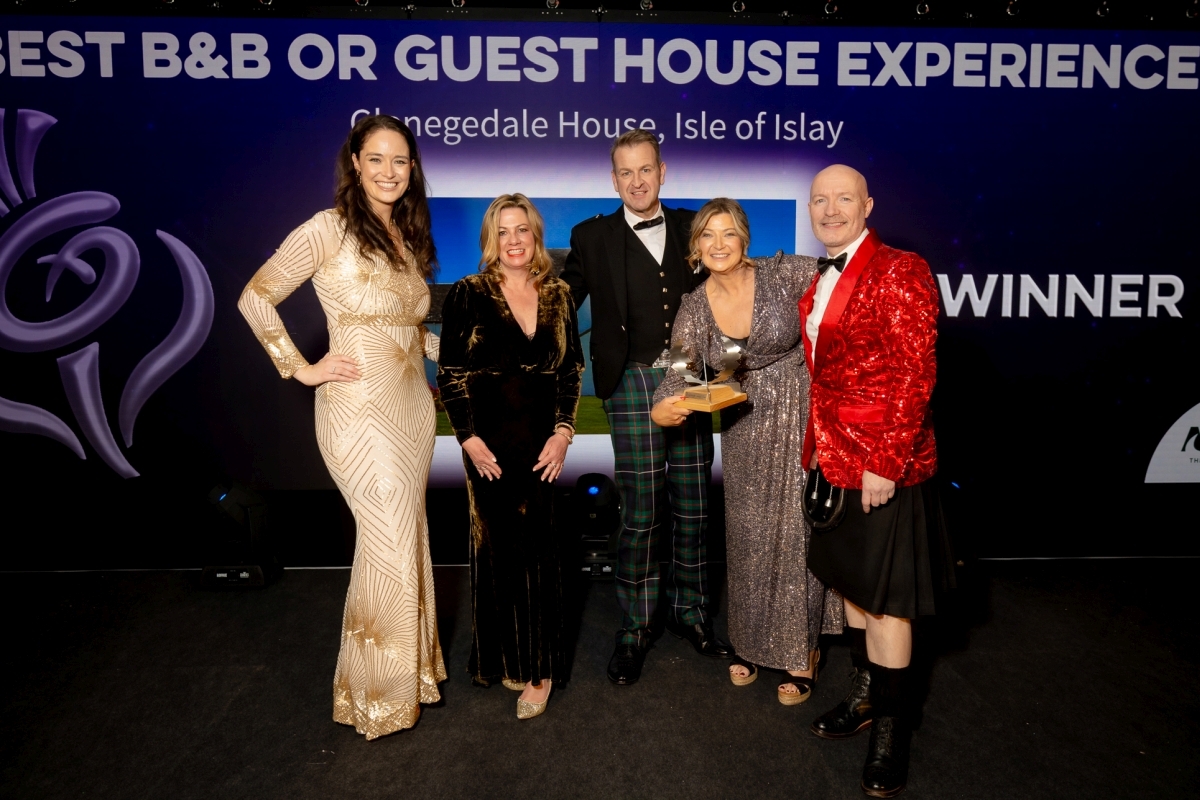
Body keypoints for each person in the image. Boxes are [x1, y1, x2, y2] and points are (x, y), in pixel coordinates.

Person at [238, 115, 446, 739]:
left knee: (407, 536)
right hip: (356, 409)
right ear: (355, 162)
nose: (389, 171)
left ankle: (415, 675)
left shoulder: (406, 236)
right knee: (386, 541)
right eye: (377, 158)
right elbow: (256, 296)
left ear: (412, 170)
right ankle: (375, 696)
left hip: (412, 408)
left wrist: (464, 356)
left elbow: (409, 329)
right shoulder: (327, 229)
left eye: (401, 161)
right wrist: (300, 368)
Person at [800, 165, 955, 797]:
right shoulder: (820, 275)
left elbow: (915, 375)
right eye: (820, 200)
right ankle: (866, 697)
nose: (830, 210)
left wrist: (885, 462)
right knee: (856, 591)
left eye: (844, 199)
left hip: (880, 466)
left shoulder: (900, 269)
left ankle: (892, 732)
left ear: (868, 205)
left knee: (888, 603)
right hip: (830, 459)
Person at [650, 198, 844, 704]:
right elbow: (679, 367)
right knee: (750, 534)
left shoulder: (786, 273)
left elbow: (848, 280)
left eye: (728, 233)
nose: (718, 244)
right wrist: (664, 405)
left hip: (805, 414)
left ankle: (802, 652)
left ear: (745, 240)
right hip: (745, 425)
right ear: (695, 247)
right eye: (707, 235)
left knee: (800, 534)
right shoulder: (694, 305)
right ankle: (753, 644)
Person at [561, 130, 733, 686]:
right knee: (640, 508)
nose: (636, 181)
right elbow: (559, 301)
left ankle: (690, 612)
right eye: (625, 173)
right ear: (614, 180)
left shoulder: (693, 227)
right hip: (629, 381)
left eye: (645, 170)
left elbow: (733, 282)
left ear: (663, 172)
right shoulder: (590, 236)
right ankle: (635, 626)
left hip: (689, 377)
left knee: (693, 501)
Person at [436, 193, 584, 720]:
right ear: (490, 240)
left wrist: (564, 433)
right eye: (503, 232)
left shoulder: (560, 294)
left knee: (540, 553)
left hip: (542, 444)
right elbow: (450, 374)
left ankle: (541, 671)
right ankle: (503, 656)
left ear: (536, 237)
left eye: (522, 230)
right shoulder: (467, 294)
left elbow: (570, 372)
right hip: (489, 446)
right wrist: (469, 439)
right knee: (496, 549)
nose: (514, 240)